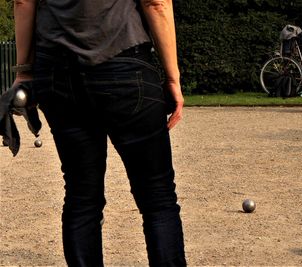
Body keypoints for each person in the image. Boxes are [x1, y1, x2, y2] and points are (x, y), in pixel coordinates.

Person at [13, 0, 186, 266]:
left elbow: (23, 1)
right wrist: (173, 78)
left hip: (58, 70)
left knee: (82, 196)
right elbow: (156, 3)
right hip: (124, 63)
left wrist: (24, 72)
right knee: (157, 198)